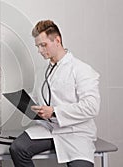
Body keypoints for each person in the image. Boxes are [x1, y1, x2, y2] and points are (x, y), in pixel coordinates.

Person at [9, 20, 101, 167]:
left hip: (76, 132)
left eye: (43, 45)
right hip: (49, 128)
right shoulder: (42, 73)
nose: (39, 50)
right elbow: (39, 99)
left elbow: (92, 107)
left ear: (57, 40)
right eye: (37, 46)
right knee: (18, 148)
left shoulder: (82, 70)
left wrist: (54, 112)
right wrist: (28, 105)